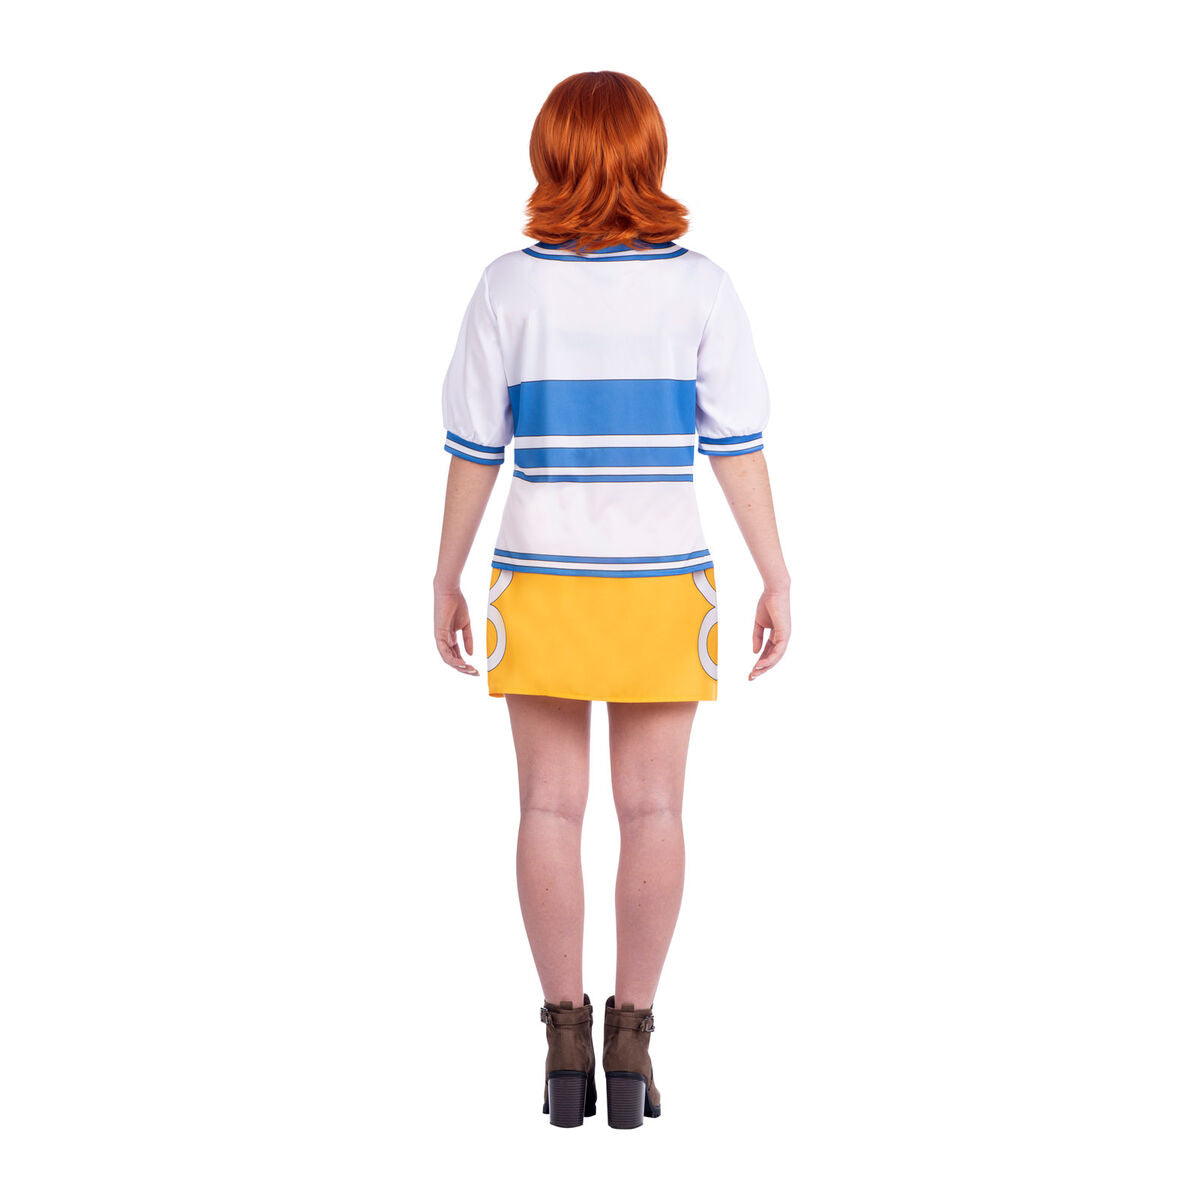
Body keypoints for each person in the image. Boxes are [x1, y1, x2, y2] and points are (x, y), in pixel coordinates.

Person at [432, 70, 791, 1129]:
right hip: (660, 583)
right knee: (656, 811)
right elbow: (737, 446)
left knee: (547, 808)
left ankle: (562, 1049)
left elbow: (473, 450)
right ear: (650, 153)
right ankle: (631, 1049)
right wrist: (776, 573)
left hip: (540, 578)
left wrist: (445, 574)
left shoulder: (508, 287)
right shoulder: (700, 288)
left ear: (549, 154)